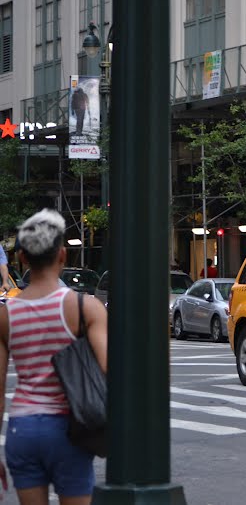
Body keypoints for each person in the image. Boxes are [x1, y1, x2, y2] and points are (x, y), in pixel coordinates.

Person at [0, 209, 108, 504]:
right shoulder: (85, 307)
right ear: (62, 255)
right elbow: (109, 368)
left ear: (22, 258)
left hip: (21, 430)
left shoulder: (6, 316)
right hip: (67, 430)